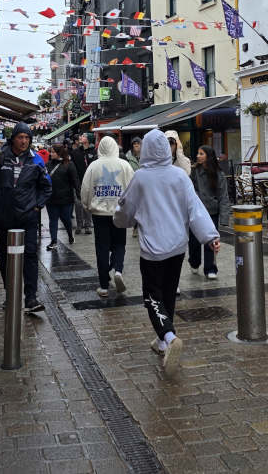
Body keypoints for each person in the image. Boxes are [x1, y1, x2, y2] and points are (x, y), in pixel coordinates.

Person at [115, 129, 220, 376]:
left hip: (153, 249)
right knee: (168, 293)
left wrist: (118, 220)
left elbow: (125, 212)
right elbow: (195, 209)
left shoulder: (141, 178)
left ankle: (170, 337)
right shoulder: (179, 176)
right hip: (177, 246)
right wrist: (210, 236)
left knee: (152, 296)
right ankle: (162, 340)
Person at [0, 122, 52, 313]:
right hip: (5, 217)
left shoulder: (36, 160)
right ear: (13, 138)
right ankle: (10, 295)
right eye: (21, 137)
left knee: (30, 255)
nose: (24, 141)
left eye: (27, 138)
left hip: (28, 216)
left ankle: (31, 298)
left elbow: (46, 186)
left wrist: (37, 206)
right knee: (6, 255)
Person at [81, 136, 135, 297]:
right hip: (119, 212)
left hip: (99, 214)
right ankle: (118, 270)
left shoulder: (94, 166)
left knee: (102, 248)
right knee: (119, 244)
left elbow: (85, 189)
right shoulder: (124, 165)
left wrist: (87, 206)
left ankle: (104, 286)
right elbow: (133, 188)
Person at [189, 145, 229, 279]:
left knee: (211, 241)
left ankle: (210, 268)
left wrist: (224, 218)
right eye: (198, 153)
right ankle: (194, 262)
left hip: (212, 211)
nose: (198, 156)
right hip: (196, 212)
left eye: (201, 154)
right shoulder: (194, 171)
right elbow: (189, 190)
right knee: (194, 241)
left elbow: (224, 196)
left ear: (208, 156)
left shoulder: (219, 174)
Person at [46, 144, 79, 250]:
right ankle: (54, 241)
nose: (51, 154)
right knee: (53, 220)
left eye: (53, 152)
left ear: (59, 153)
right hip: (51, 198)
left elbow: (75, 181)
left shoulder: (69, 165)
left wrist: (79, 194)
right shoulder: (48, 165)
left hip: (66, 199)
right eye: (50, 152)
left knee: (66, 219)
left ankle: (70, 235)